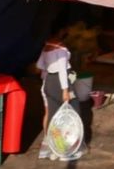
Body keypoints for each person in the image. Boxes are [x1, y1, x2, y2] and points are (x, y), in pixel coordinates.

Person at [36, 27, 83, 162]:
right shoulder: (61, 50)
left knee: (53, 116)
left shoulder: (46, 48)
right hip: (61, 83)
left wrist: (46, 80)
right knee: (72, 114)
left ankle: (54, 149)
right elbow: (62, 71)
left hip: (49, 82)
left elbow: (39, 66)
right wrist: (65, 90)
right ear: (61, 33)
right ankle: (67, 151)